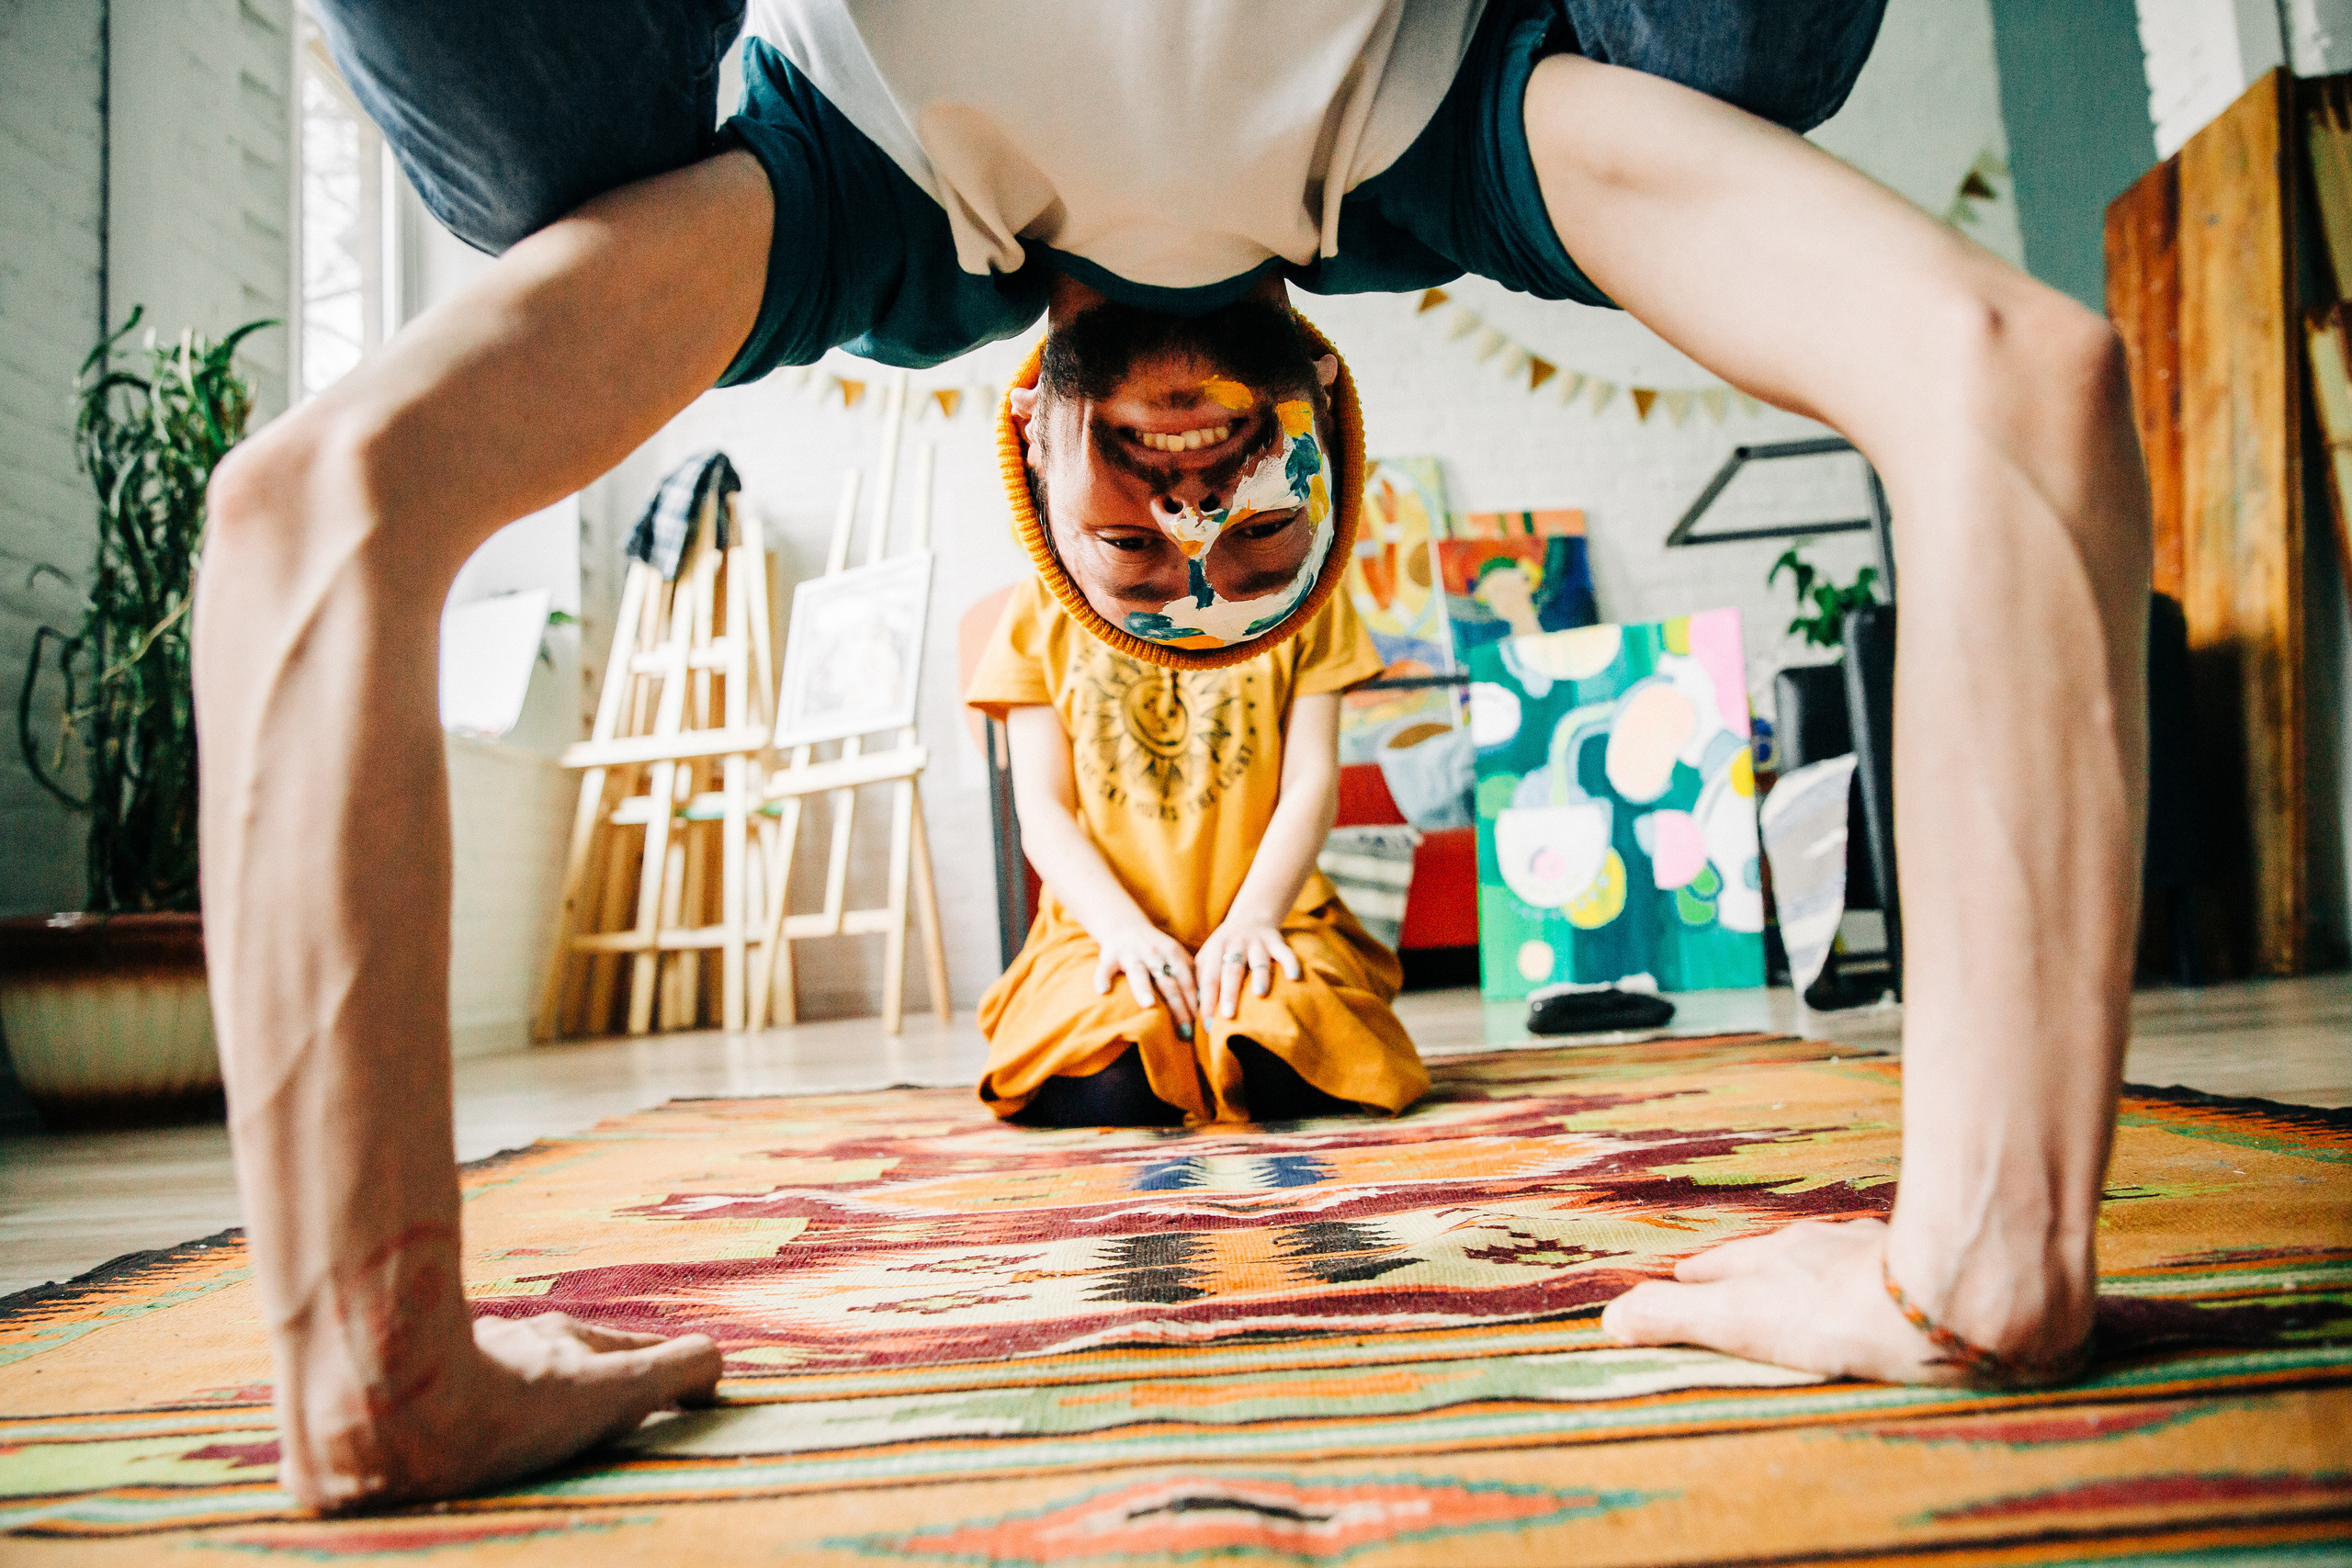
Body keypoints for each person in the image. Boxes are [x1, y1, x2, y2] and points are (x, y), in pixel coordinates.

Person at [195, 0, 2151, 1513]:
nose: (1197, 505)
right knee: (1739, 60)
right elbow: (2009, 371)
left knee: (538, 164)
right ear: (1333, 406)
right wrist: (1972, 1264)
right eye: (1235, 533)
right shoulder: (1473, 125)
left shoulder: (832, 196)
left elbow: (323, 502)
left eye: (1149, 542)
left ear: (1027, 471)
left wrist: (378, 1365)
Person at [967, 348, 1429, 1125]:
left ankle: (1217, 1032)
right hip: (1098, 921)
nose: (1197, 580)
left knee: (1289, 1044)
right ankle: (1174, 1034)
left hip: (1277, 911)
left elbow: (1311, 782)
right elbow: (1041, 807)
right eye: (1129, 542)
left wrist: (1253, 919)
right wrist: (1121, 931)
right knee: (1105, 1061)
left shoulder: (1306, 599)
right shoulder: (1036, 613)